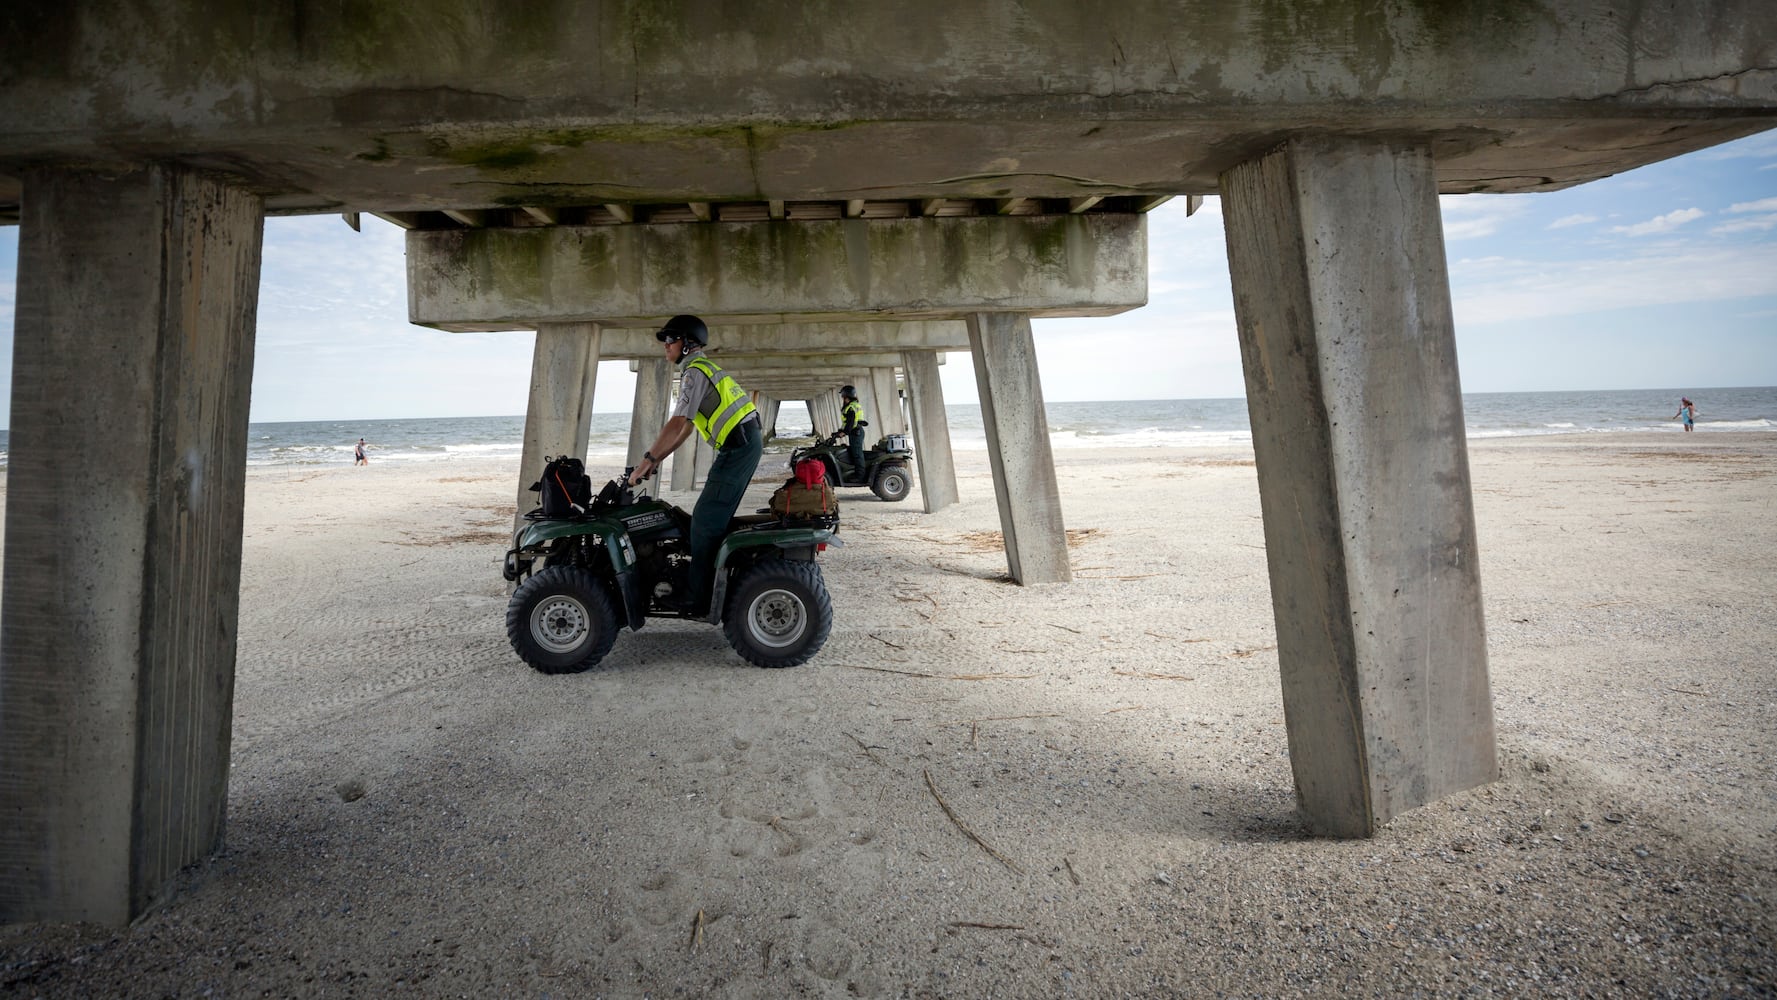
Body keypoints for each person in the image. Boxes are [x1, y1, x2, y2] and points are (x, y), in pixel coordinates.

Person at [628, 315, 764, 614]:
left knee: (704, 521)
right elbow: (687, 429)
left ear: (687, 343)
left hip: (738, 447)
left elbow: (677, 422)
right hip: (738, 445)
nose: (665, 347)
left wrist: (645, 462)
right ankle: (709, 577)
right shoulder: (700, 371)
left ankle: (698, 597)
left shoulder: (694, 372)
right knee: (706, 517)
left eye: (669, 340)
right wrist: (656, 461)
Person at [840, 384, 867, 482]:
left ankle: (860, 476)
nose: (842, 399)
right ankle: (855, 472)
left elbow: (851, 422)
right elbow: (847, 423)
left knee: (857, 454)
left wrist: (844, 432)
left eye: (843, 397)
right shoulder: (854, 405)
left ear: (846, 396)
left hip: (856, 433)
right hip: (855, 432)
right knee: (854, 452)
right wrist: (840, 431)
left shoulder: (851, 407)